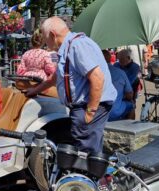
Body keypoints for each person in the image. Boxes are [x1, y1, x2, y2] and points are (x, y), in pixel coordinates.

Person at [26, 17, 117, 153]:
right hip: (85, 105)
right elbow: (55, 78)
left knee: (85, 151)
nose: (45, 43)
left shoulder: (77, 46)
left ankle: (88, 174)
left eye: (45, 38)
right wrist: (34, 90)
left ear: (52, 34)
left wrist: (90, 112)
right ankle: (94, 172)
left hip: (87, 106)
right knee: (89, 147)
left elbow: (97, 78)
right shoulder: (69, 46)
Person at [102, 50, 134, 121]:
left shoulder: (93, 73)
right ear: (110, 58)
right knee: (131, 105)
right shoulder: (120, 72)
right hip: (114, 111)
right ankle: (129, 129)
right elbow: (130, 95)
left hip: (97, 112)